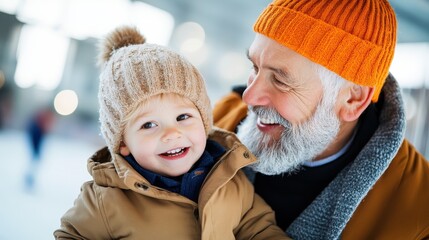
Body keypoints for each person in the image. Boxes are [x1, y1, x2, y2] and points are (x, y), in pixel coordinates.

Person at [213, 0, 429, 239]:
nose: (249, 96)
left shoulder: (419, 214)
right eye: (255, 67)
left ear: (352, 100)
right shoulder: (213, 121)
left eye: (281, 81)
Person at [54, 26, 290, 240]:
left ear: (204, 122)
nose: (172, 133)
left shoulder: (230, 178)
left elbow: (258, 229)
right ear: (123, 142)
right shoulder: (106, 200)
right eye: (148, 125)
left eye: (183, 117)